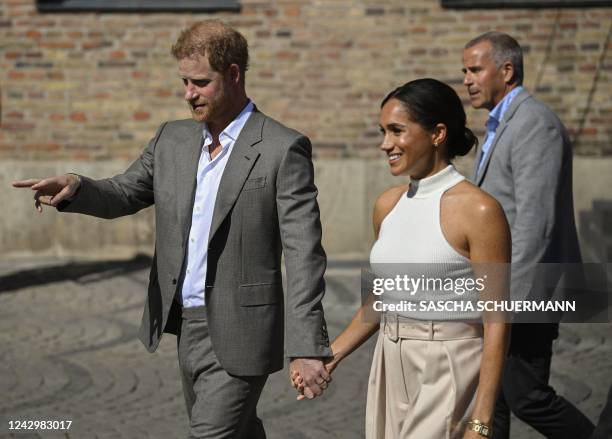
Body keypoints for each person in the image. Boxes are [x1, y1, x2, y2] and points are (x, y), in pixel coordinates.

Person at [13, 20, 332, 439]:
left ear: (234, 74)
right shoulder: (172, 139)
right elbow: (125, 192)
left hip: (244, 331)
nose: (188, 94)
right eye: (184, 81)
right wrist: (78, 187)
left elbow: (304, 252)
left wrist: (308, 346)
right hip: (185, 324)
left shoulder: (281, 148)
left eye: (200, 82)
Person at [293, 78, 511, 438]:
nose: (385, 144)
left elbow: (498, 320)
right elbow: (382, 297)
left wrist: (481, 420)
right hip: (389, 360)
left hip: (450, 363)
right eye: (383, 131)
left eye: (397, 130)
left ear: (438, 133)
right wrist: (330, 356)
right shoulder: (387, 205)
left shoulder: (480, 210)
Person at [462, 31, 595, 438]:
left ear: (507, 70)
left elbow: (536, 225)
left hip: (528, 292)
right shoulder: (499, 125)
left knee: (527, 397)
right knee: (494, 400)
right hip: (501, 288)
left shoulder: (535, 124)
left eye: (475, 69)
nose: (467, 79)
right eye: (464, 70)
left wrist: (504, 304)